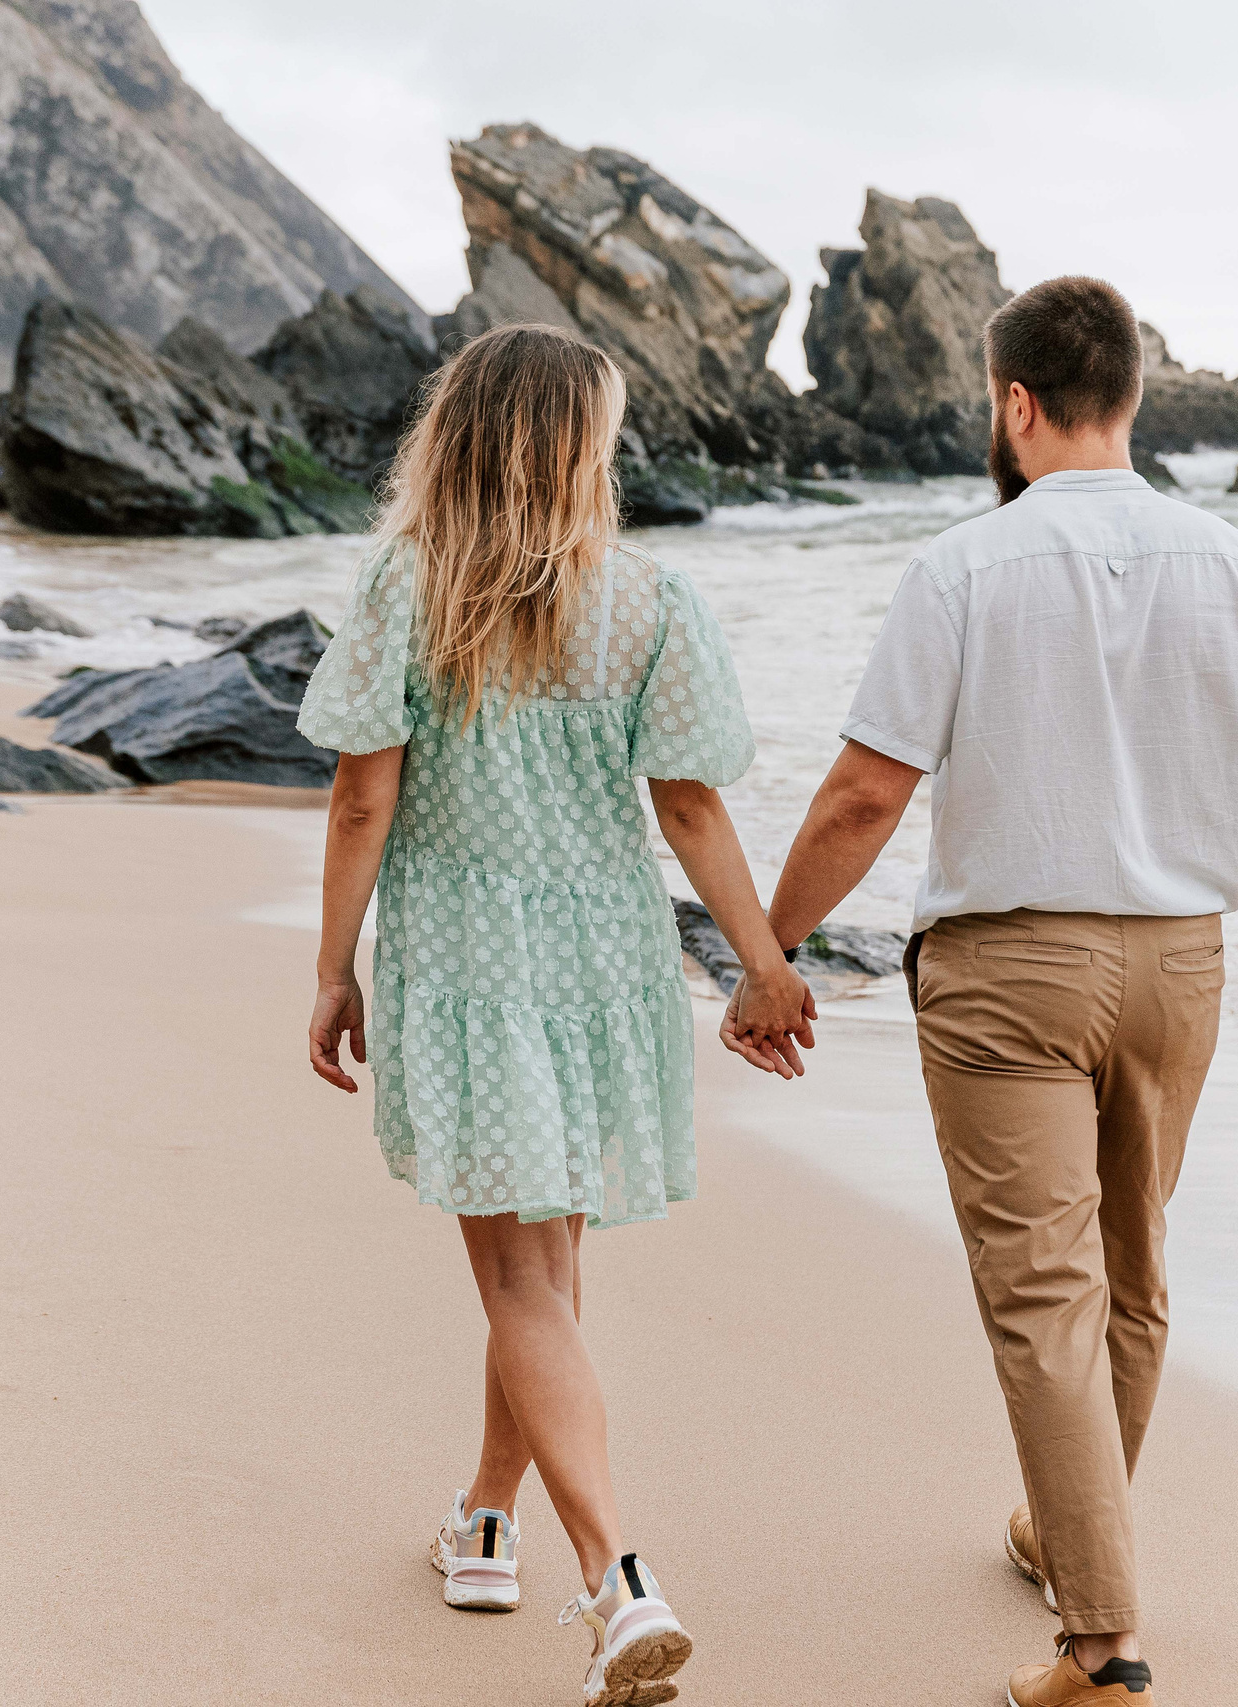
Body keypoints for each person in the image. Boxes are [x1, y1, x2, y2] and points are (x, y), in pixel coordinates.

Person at [724, 276, 1238, 1707]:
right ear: (1131, 393)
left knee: (1046, 1299)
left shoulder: (963, 568)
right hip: (1182, 967)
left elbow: (866, 794)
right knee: (1131, 1276)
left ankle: (1105, 1645)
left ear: (1013, 402)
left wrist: (771, 955)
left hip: (1009, 974)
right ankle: (1068, 1528)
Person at [298, 321, 810, 1707]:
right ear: (582, 448)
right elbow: (691, 807)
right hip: (602, 961)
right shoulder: (649, 600)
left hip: (470, 955)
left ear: (456, 437)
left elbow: (362, 797)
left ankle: (615, 1579)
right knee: (552, 1278)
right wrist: (761, 965)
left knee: (523, 1281)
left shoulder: (407, 584)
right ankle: (483, 1520)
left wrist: (334, 966)